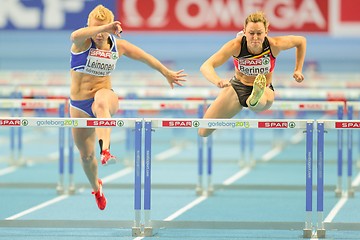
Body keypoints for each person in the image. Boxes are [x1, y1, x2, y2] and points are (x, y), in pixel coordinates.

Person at [69, 4, 187, 210]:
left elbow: (144, 57)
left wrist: (166, 72)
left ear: (111, 28)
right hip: (78, 104)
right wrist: (100, 28)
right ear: (89, 26)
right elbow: (74, 34)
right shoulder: (81, 42)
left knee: (101, 101)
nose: (99, 34)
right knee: (86, 157)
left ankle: (106, 150)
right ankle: (96, 187)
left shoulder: (118, 46)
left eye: (103, 29)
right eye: (95, 28)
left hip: (104, 95)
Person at [198, 11, 306, 137]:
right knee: (203, 131)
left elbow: (301, 41)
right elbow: (206, 66)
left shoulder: (274, 45)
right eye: (251, 33)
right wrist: (218, 81)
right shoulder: (235, 45)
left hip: (264, 88)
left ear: (266, 31)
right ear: (244, 31)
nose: (255, 37)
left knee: (257, 103)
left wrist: (298, 69)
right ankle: (253, 98)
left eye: (259, 33)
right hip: (237, 87)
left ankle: (255, 96)